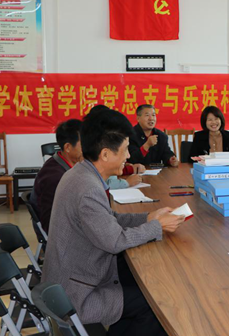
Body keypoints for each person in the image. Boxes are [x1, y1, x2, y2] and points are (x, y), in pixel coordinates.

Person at [42, 109, 185, 334]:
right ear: (106, 154)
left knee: (146, 282)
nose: (128, 156)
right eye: (126, 149)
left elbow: (110, 219)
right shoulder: (88, 188)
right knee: (157, 301)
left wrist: (148, 217)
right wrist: (157, 226)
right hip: (78, 295)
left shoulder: (82, 173)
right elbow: (115, 241)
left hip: (76, 277)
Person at [30, 119, 83, 233]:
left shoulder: (66, 163)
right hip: (59, 233)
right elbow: (50, 224)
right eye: (84, 144)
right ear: (67, 147)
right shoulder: (55, 177)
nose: (89, 148)